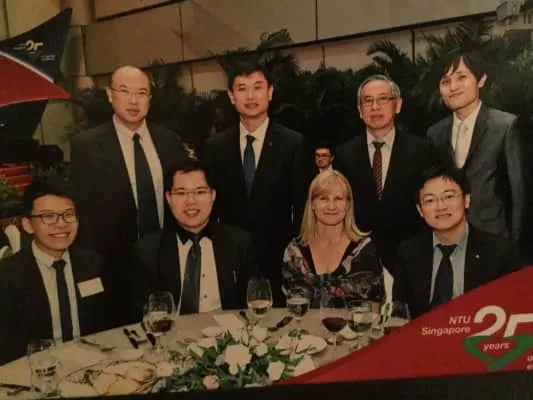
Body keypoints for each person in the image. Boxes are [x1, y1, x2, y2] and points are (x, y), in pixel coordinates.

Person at [70, 65, 188, 324]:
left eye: (141, 93)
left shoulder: (169, 141)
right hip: (114, 265)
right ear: (110, 95)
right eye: (125, 92)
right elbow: (83, 213)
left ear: (150, 99)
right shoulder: (87, 146)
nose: (134, 101)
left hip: (165, 260)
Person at [203, 61, 307, 305]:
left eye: (257, 87)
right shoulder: (215, 147)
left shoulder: (293, 143)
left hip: (279, 258)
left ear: (270, 92)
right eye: (242, 88)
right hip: (230, 260)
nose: (250, 96)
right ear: (231, 96)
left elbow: (302, 204)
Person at [334, 74, 434, 276]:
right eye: (368, 101)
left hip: (411, 258)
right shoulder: (344, 154)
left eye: (382, 99)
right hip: (359, 261)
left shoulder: (422, 150)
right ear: (360, 110)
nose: (375, 107)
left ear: (398, 105)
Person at [0, 181, 108, 365]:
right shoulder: (7, 275)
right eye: (48, 216)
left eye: (68, 215)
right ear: (28, 224)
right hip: (35, 369)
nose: (61, 224)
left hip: (91, 363)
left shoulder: (93, 264)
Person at [132, 158, 257, 317]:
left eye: (200, 192)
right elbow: (142, 316)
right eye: (181, 193)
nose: (191, 201)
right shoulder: (147, 252)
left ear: (212, 195)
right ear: (168, 198)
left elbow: (253, 304)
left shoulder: (240, 242)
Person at [393, 166, 521, 319]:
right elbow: (400, 313)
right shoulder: (409, 253)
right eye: (430, 200)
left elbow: (514, 311)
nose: (441, 206)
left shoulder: (499, 252)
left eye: (449, 196)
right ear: (420, 210)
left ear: (466, 200)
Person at [427, 51, 524, 242]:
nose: (453, 87)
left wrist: (516, 248)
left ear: (481, 80)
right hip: (450, 241)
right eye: (445, 81)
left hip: (495, 239)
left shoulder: (505, 126)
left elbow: (519, 194)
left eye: (461, 77)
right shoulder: (435, 133)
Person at [282, 170, 384, 308]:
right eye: (323, 199)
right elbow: (292, 309)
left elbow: (373, 312)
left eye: (338, 199)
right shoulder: (294, 251)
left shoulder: (365, 250)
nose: (331, 206)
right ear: (312, 204)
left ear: (348, 204)